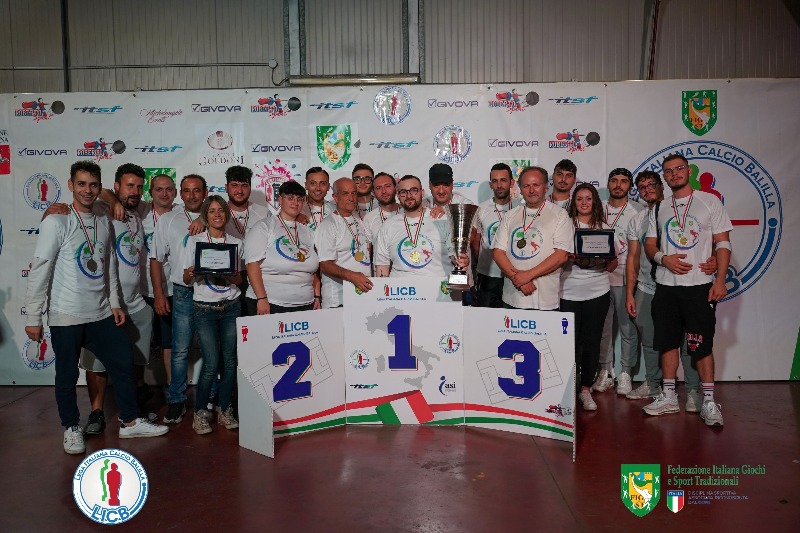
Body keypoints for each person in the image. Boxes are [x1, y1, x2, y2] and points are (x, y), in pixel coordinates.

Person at [24, 160, 168, 454]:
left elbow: (110, 265)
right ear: (70, 185)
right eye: (81, 184)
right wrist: (33, 316)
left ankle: (130, 422)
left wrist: (114, 303)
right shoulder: (57, 221)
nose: (87, 190)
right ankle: (71, 428)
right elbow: (40, 269)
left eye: (92, 185)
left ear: (99, 187)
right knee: (66, 375)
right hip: (66, 314)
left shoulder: (103, 220)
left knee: (123, 360)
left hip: (100, 312)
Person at [644, 153, 732, 427]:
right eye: (668, 171)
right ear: (664, 177)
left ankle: (709, 401)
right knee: (667, 342)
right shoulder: (659, 207)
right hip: (666, 286)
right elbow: (650, 245)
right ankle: (669, 396)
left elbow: (723, 243)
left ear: (689, 171)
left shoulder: (709, 201)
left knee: (702, 345)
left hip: (699, 286)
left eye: (679, 168)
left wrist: (720, 279)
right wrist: (664, 259)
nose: (674, 174)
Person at [182, 196, 243, 434]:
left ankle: (224, 409)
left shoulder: (235, 243)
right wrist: (194, 271)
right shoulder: (195, 241)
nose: (217, 215)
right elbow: (186, 279)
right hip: (205, 309)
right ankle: (200, 413)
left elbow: (240, 279)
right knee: (210, 364)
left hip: (231, 306)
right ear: (205, 216)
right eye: (212, 211)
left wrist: (230, 274)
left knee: (229, 363)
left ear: (226, 214)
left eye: (221, 210)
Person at [151, 174, 208, 425]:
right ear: (180, 194)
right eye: (187, 190)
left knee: (211, 348)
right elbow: (156, 260)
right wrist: (159, 294)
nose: (192, 195)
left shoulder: (215, 214)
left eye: (197, 190)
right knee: (180, 349)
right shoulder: (168, 219)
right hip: (182, 292)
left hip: (211, 290)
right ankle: (176, 399)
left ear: (205, 192)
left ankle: (211, 398)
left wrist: (204, 218)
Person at [559, 183, 617, 411]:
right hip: (568, 291)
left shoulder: (604, 228)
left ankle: (585, 389)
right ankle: (567, 389)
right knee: (569, 343)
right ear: (573, 202)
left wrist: (605, 260)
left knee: (592, 341)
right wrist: (569, 257)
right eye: (579, 199)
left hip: (597, 291)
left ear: (595, 202)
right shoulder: (564, 226)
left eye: (588, 198)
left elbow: (613, 264)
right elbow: (556, 259)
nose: (584, 203)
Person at [491, 166, 572, 310]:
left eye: (536, 185)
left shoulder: (560, 215)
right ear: (520, 189)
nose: (531, 190)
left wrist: (527, 276)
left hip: (545, 300)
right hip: (512, 297)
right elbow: (498, 252)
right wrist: (518, 279)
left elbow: (561, 256)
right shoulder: (510, 215)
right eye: (526, 186)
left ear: (546, 187)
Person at [594, 168, 643, 395]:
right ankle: (605, 371)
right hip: (599, 279)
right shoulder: (597, 207)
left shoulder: (639, 210)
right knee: (603, 330)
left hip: (626, 279)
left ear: (630, 186)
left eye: (623, 181)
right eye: (614, 180)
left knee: (627, 329)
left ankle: (625, 373)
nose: (618, 185)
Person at [244, 181, 321, 314]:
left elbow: (313, 270)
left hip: (306, 304)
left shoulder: (308, 232)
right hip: (270, 303)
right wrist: (261, 298)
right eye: (290, 198)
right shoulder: (264, 227)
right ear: (280, 199)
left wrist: (317, 296)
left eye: (299, 199)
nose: (295, 203)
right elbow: (252, 265)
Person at [374, 175, 468, 278]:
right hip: (401, 287)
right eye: (403, 192)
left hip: (437, 286)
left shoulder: (442, 220)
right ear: (398, 195)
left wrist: (460, 261)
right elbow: (382, 266)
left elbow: (454, 255)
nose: (409, 195)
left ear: (422, 193)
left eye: (414, 190)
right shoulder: (388, 226)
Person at [315, 178, 373, 307]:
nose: (351, 198)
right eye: (345, 193)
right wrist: (352, 276)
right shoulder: (328, 224)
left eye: (354, 193)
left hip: (361, 296)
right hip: (338, 299)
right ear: (335, 197)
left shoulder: (358, 219)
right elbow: (324, 264)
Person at [471, 163, 518, 308]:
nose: (499, 185)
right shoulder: (481, 209)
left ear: (512, 182)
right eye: (495, 181)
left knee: (511, 318)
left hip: (514, 274)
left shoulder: (521, 208)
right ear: (490, 185)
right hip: (488, 276)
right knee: (486, 318)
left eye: (503, 180)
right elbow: (476, 242)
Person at [361, 172, 400, 244]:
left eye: (387, 186)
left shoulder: (407, 212)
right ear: (373, 193)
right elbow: (368, 248)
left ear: (396, 188)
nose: (384, 191)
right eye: (378, 188)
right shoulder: (369, 218)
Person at [300, 167, 335, 231]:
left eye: (323, 183)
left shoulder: (335, 210)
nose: (318, 188)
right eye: (313, 183)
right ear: (306, 185)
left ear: (328, 186)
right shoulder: (296, 209)